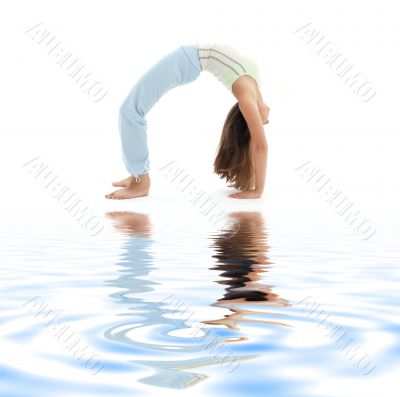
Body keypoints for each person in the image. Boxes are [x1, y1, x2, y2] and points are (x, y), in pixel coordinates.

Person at [105, 43, 270, 200]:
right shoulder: (254, 83)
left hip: (185, 61)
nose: (263, 122)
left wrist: (258, 190)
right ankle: (137, 174)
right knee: (130, 110)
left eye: (256, 123)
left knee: (130, 111)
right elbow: (258, 137)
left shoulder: (248, 96)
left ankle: (140, 182)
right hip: (188, 58)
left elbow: (260, 145)